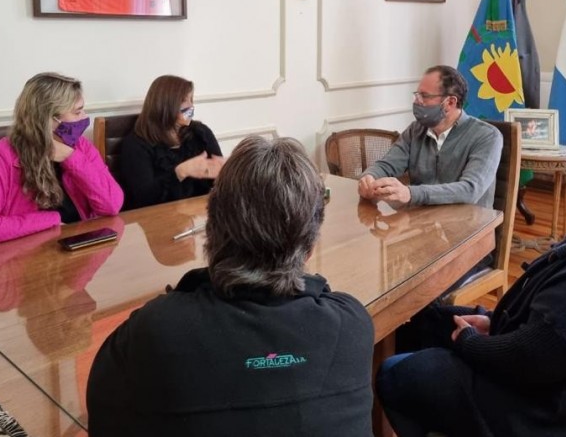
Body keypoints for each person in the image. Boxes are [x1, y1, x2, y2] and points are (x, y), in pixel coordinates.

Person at [375, 105, 566, 437]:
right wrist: (495, 323)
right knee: (425, 320)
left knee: (399, 373)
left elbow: (531, 359)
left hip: (552, 413)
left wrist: (470, 342)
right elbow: (559, 333)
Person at [88, 136, 375, 436]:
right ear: (311, 245)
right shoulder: (353, 324)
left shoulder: (153, 332)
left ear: (211, 231)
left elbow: (104, 417)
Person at [0, 73, 123, 248]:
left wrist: (71, 158)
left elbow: (112, 205)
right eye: (77, 112)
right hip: (21, 260)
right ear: (48, 119)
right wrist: (51, 220)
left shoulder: (80, 147)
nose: (84, 117)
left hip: (75, 253)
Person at [358, 65, 502, 209]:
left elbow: (470, 190)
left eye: (424, 96)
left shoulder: (487, 136)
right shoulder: (415, 130)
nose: (417, 101)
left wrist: (411, 193)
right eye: (417, 95)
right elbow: (386, 165)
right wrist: (369, 177)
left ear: (450, 102)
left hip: (470, 226)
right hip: (422, 221)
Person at [120, 75, 224, 209]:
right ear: (165, 104)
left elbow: (217, 183)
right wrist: (180, 172)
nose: (191, 106)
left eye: (191, 100)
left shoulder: (201, 133)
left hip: (199, 215)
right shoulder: (136, 144)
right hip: (158, 220)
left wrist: (226, 171)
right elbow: (144, 198)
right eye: (184, 100)